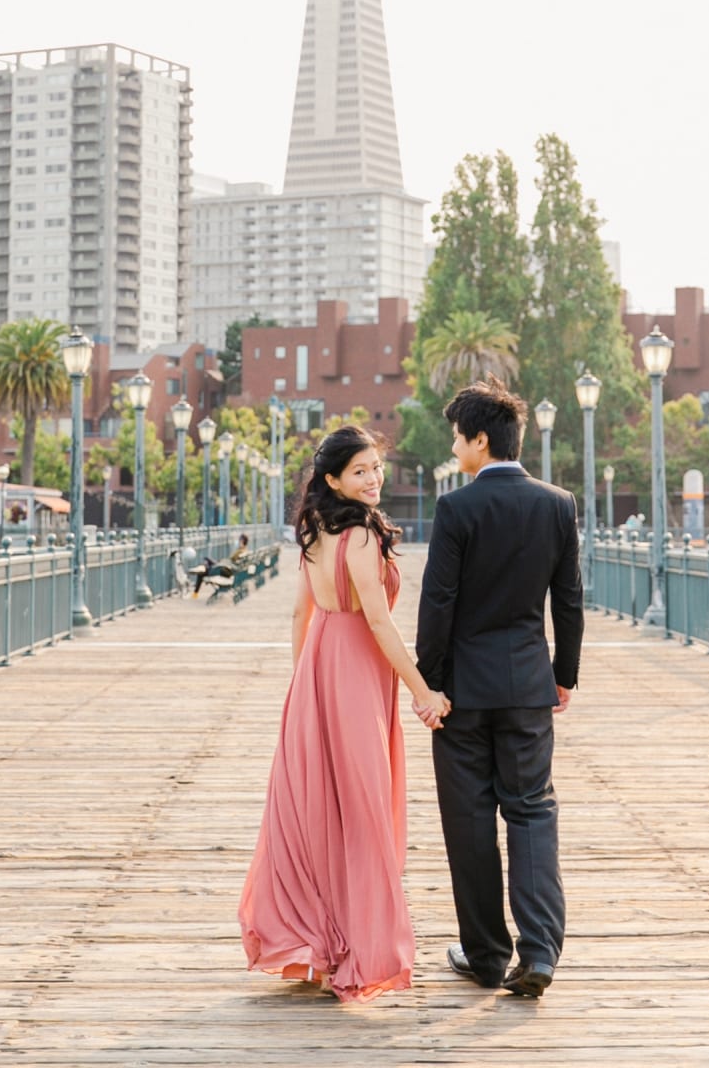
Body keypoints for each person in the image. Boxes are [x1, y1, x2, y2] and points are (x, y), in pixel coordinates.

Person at [239, 425, 450, 1002]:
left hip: (317, 671)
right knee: (360, 808)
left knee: (317, 805)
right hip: (354, 672)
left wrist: (303, 684)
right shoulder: (359, 535)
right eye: (360, 471)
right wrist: (423, 691)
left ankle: (314, 941)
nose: (374, 478)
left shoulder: (314, 531)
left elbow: (300, 616)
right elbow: (378, 622)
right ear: (332, 479)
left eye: (377, 467)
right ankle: (357, 945)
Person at [415, 377, 584, 999]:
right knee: (532, 811)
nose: (455, 447)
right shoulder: (557, 503)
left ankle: (487, 955)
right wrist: (563, 674)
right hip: (527, 686)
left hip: (461, 692)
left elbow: (438, 605)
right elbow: (568, 601)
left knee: (469, 821)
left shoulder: (457, 509)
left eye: (458, 438)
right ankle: (540, 951)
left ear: (480, 440)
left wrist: (428, 685)